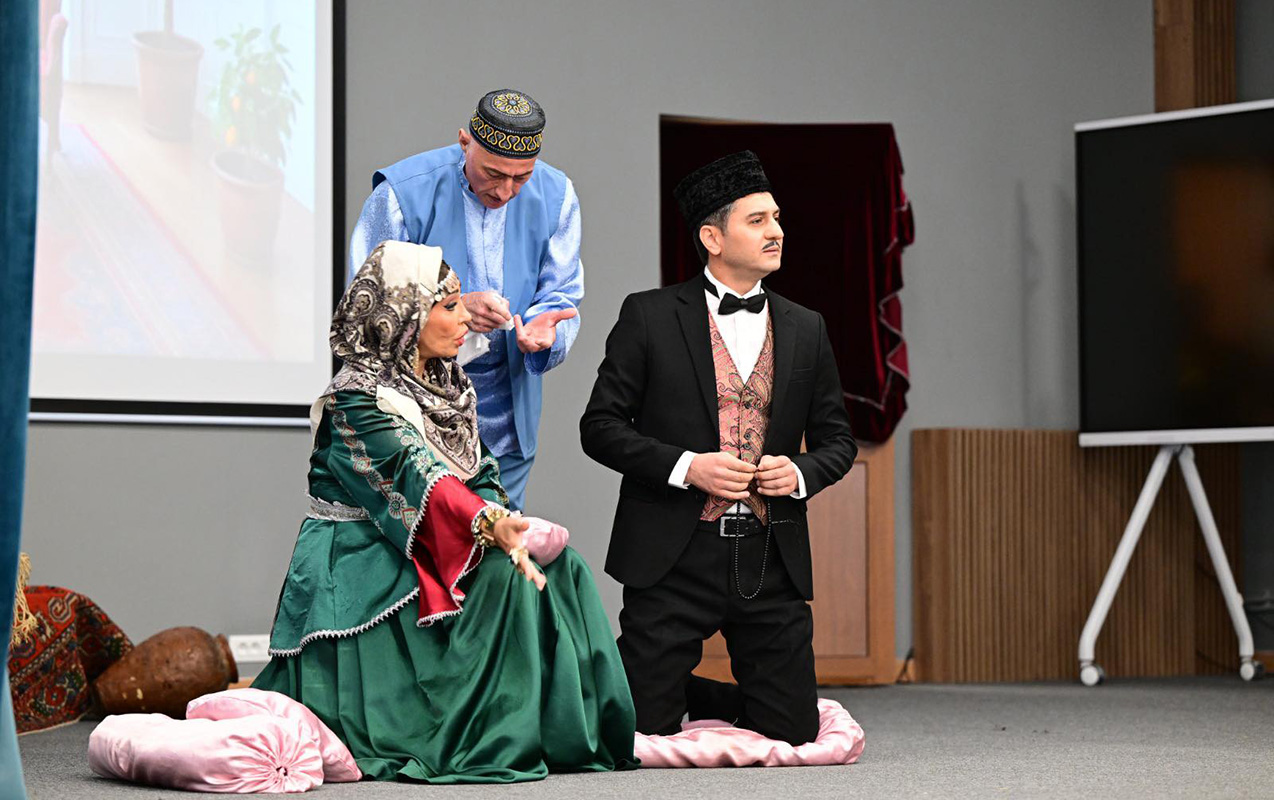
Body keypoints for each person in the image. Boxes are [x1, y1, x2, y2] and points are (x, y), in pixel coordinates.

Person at [254, 241, 635, 783]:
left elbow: (478, 472)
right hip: (364, 559)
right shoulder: (355, 397)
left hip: (430, 538)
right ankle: (484, 732)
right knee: (504, 577)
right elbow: (416, 475)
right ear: (404, 315)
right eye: (449, 306)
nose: (464, 320)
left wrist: (505, 518)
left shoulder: (449, 385)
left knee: (563, 567)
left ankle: (561, 734)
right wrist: (489, 524)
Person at [579, 151, 857, 746]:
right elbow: (599, 426)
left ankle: (706, 694)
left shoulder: (806, 326)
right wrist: (688, 467)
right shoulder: (649, 315)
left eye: (776, 218)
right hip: (673, 553)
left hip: (770, 553)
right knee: (637, 731)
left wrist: (799, 473)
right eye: (757, 220)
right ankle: (679, 688)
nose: (776, 231)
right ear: (712, 237)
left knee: (793, 732)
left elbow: (838, 441)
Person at [348, 89, 582, 511]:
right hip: (410, 421)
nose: (506, 191)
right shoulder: (403, 194)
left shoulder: (557, 195)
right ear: (464, 142)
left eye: (522, 178)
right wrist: (452, 307)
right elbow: (367, 307)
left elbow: (560, 293)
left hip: (508, 421)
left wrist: (546, 328)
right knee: (422, 541)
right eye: (493, 173)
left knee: (500, 542)